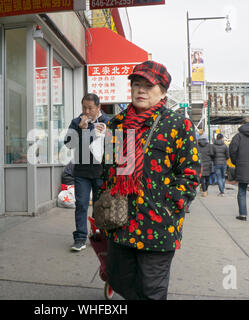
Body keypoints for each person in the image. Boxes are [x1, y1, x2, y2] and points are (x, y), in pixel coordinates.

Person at [99, 61, 201, 300]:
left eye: (148, 85)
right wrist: (103, 198)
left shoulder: (178, 124)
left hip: (158, 223)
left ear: (163, 92)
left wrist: (174, 201)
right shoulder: (118, 124)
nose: (140, 90)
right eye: (136, 84)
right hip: (119, 220)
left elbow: (191, 171)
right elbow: (108, 167)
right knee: (119, 279)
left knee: (152, 290)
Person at [64, 93, 110, 251]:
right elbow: (69, 144)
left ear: (99, 107)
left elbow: (114, 146)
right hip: (82, 171)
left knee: (100, 206)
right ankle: (80, 238)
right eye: (84, 107)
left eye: (90, 108)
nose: (87, 111)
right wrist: (81, 129)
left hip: (101, 172)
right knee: (81, 204)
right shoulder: (77, 121)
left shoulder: (107, 122)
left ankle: (98, 234)